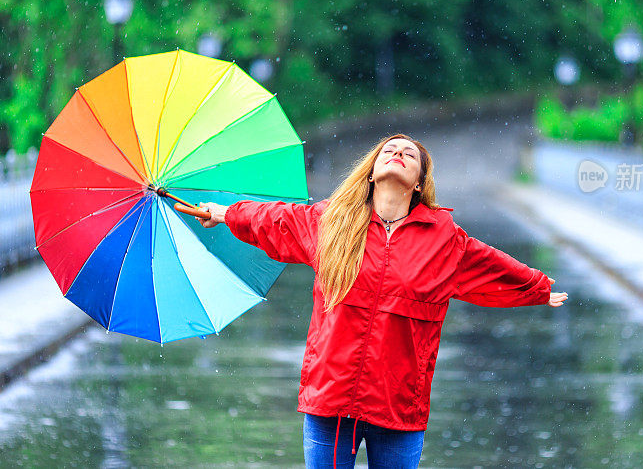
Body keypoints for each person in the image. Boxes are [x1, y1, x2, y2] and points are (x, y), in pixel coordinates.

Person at [196, 133, 568, 468]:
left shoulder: (444, 240)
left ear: (419, 182)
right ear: (372, 173)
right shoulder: (331, 222)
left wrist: (536, 287)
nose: (398, 153)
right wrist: (223, 213)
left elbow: (489, 264)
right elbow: (274, 219)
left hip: (399, 408)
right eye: (389, 150)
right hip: (330, 403)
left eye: (409, 153)